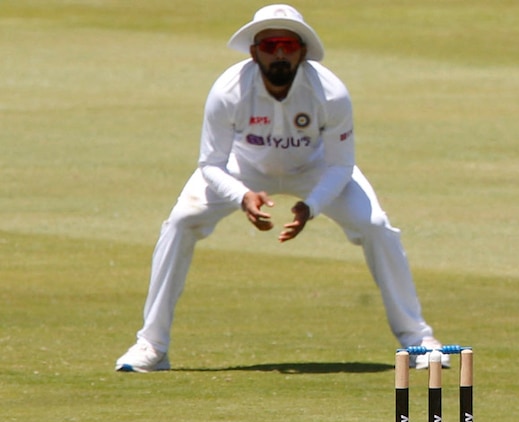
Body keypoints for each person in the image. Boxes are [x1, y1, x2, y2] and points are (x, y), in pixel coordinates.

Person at [115, 4, 449, 372]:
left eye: (288, 45)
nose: (279, 53)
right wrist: (241, 196)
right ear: (255, 51)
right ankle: (152, 345)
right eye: (270, 44)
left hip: (314, 168)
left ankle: (419, 340)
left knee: (376, 226)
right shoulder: (228, 90)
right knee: (181, 221)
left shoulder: (330, 92)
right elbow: (210, 164)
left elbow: (341, 165)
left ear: (302, 52)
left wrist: (312, 206)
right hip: (243, 169)